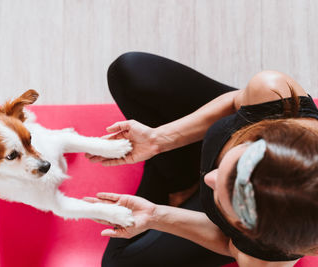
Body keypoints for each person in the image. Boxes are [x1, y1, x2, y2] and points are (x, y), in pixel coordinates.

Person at [84, 52, 318, 267]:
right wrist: (159, 139)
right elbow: (235, 102)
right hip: (206, 137)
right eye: (234, 160)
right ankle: (175, 175)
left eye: (228, 203)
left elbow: (229, 244)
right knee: (129, 71)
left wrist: (156, 215)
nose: (210, 178)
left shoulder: (266, 259)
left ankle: (175, 178)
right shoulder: (274, 94)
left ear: (249, 230)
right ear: (264, 132)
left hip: (215, 214)